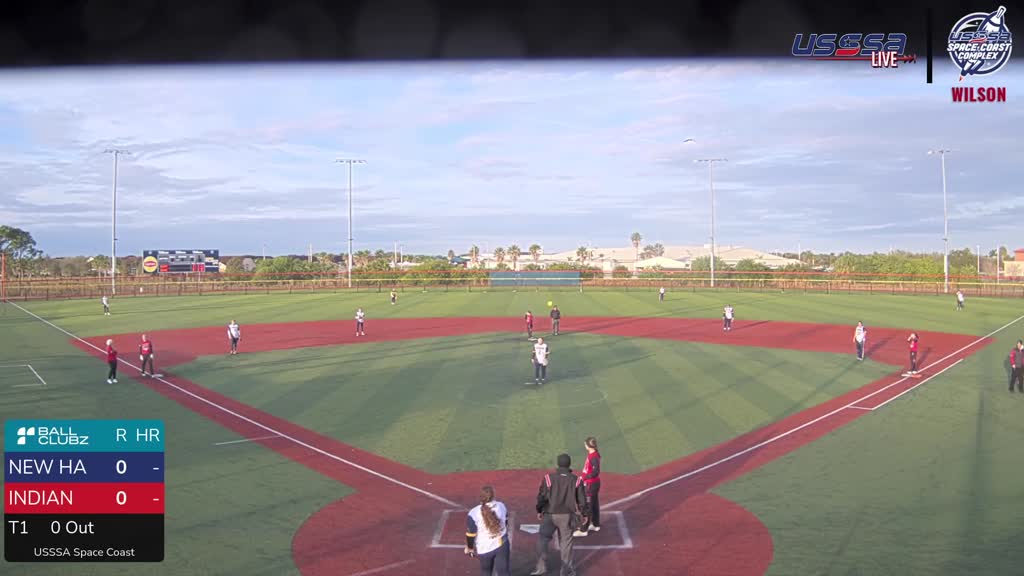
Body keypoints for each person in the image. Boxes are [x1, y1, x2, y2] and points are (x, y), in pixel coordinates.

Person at [532, 453, 588, 576]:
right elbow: (582, 500)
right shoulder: (576, 480)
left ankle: (541, 568)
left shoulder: (548, 478)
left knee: (543, 539)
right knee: (566, 543)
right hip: (566, 516)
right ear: (569, 464)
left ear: (558, 464)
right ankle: (566, 571)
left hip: (549, 515)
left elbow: (542, 497)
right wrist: (584, 514)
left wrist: (539, 510)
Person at [465, 486, 511, 576]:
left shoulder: (474, 513)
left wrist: (470, 548)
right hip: (502, 545)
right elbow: (506, 523)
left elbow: (471, 534)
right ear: (493, 495)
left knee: (486, 572)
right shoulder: (501, 506)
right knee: (504, 572)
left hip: (484, 548)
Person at [576, 437, 601, 537]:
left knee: (588, 506)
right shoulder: (593, 454)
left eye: (585, 444)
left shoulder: (593, 456)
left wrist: (584, 477)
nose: (584, 445)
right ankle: (595, 524)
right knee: (594, 504)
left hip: (590, 485)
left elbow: (596, 472)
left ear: (589, 446)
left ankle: (584, 530)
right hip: (593, 484)